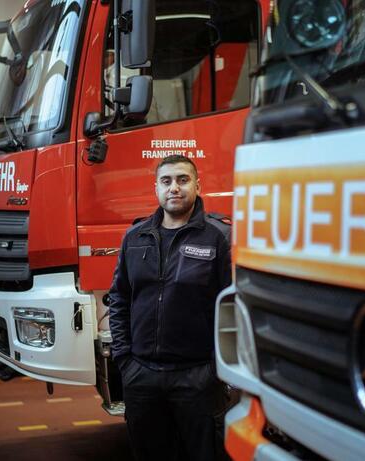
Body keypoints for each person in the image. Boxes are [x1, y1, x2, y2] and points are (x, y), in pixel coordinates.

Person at [108, 155, 232, 461]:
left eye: (182, 179)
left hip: (197, 378)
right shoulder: (135, 238)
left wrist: (215, 369)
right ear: (156, 188)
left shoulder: (218, 238)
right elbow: (119, 299)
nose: (174, 188)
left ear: (197, 185)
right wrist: (125, 359)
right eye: (166, 181)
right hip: (142, 377)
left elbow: (231, 305)